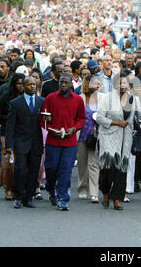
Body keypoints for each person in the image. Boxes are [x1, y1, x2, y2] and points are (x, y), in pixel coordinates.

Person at [96, 72, 141, 211]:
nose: (123, 86)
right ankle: (105, 192)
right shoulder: (108, 98)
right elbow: (99, 117)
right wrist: (116, 122)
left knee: (122, 168)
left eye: (125, 83)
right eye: (120, 83)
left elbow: (139, 116)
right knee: (109, 167)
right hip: (108, 135)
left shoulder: (134, 99)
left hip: (126, 138)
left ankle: (117, 199)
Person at [41, 73, 86, 211]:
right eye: (62, 82)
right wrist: (51, 129)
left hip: (70, 142)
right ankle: (50, 189)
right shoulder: (50, 98)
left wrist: (74, 128)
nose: (64, 85)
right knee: (51, 168)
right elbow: (43, 118)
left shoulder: (78, 99)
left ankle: (62, 198)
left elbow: (81, 118)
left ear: (72, 84)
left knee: (65, 170)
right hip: (53, 140)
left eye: (66, 82)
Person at [6, 77, 45, 209]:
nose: (32, 86)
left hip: (36, 142)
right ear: (24, 86)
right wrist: (9, 145)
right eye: (29, 84)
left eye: (34, 84)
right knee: (20, 169)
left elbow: (47, 120)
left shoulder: (42, 101)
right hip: (20, 141)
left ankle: (29, 197)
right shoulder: (15, 103)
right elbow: (10, 126)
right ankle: (18, 196)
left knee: (34, 170)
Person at [0, 73, 25, 200]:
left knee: (21, 162)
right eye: (18, 84)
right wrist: (10, 119)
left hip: (23, 133)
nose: (20, 86)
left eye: (23, 84)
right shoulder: (7, 95)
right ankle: (9, 188)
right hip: (7, 132)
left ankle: (20, 188)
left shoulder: (28, 97)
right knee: (8, 162)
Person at [77, 75, 102, 203]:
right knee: (82, 164)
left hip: (96, 135)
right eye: (95, 83)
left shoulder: (102, 99)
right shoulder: (80, 98)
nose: (97, 86)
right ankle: (82, 188)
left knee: (94, 164)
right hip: (82, 135)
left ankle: (94, 192)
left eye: (99, 83)